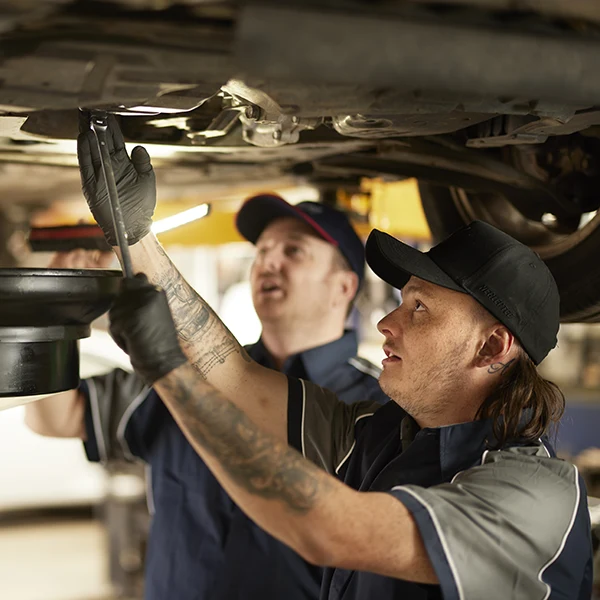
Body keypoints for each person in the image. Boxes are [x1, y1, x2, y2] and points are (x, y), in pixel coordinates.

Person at [69, 118, 593, 599]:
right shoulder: (380, 438)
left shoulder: (533, 496)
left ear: (492, 346)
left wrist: (170, 373)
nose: (387, 324)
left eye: (420, 309)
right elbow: (234, 376)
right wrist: (136, 238)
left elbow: (327, 528)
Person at [25, 118, 387, 600]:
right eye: (262, 251)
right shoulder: (183, 367)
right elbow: (52, 417)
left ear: (344, 286)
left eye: (293, 251)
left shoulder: (372, 410)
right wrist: (53, 314)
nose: (268, 262)